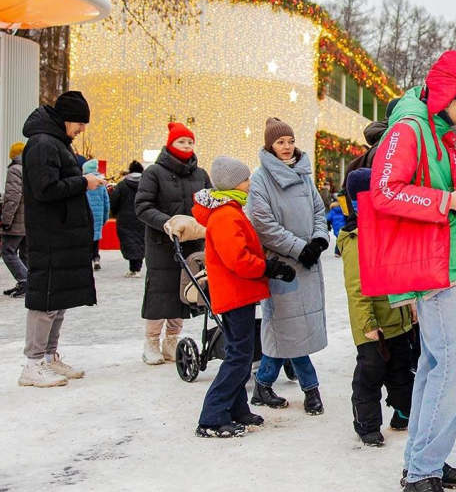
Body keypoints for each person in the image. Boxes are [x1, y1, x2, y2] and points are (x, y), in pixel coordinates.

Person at [368, 50, 456, 492]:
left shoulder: (434, 131)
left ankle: (426, 462)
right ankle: (422, 471)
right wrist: (446, 202)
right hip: (432, 267)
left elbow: (433, 193)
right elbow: (383, 191)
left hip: (446, 262)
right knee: (451, 369)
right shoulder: (410, 128)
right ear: (445, 93)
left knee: (435, 366)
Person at [192, 156, 296, 438]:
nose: (250, 183)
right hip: (235, 292)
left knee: (241, 353)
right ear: (233, 183)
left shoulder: (231, 209)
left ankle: (236, 408)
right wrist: (269, 268)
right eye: (246, 179)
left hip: (239, 292)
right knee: (238, 357)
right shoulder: (226, 215)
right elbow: (237, 259)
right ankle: (212, 416)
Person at [17, 91, 102, 387]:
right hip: (50, 233)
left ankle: (49, 356)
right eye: (80, 123)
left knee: (59, 297)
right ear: (67, 118)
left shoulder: (56, 142)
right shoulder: (43, 143)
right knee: (47, 296)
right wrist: (83, 182)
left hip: (62, 232)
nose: (81, 130)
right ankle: (33, 362)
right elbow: (45, 189)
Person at [247, 117, 331, 415]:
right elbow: (263, 224)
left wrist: (319, 241)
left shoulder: (304, 176)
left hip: (309, 264)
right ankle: (312, 390)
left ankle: (263, 383)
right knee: (290, 330)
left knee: (292, 331)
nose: (287, 146)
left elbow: (319, 210)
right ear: (270, 145)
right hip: (283, 266)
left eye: (290, 141)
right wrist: (299, 248)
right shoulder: (260, 179)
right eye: (280, 142)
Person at [341, 168, 415, 447]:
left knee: (401, 370)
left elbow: (401, 273)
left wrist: (410, 305)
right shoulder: (356, 238)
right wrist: (368, 324)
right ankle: (367, 424)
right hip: (374, 326)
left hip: (397, 317)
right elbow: (356, 288)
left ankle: (402, 412)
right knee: (370, 375)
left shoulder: (388, 229)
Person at [135, 123, 211, 365]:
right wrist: (168, 223)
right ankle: (151, 341)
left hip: (193, 243)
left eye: (190, 142)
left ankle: (172, 339)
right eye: (182, 141)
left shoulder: (200, 174)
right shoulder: (154, 173)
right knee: (160, 291)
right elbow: (143, 206)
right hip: (162, 242)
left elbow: (210, 202)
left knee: (183, 291)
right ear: (170, 144)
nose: (187, 146)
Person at [0, 143, 29, 298]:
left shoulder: (15, 170)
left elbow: (12, 198)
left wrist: (6, 220)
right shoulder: (32, 168)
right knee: (25, 253)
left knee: (7, 252)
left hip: (16, 219)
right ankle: (30, 283)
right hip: (29, 220)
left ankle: (25, 281)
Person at [110, 161, 147, 278]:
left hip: (125, 218)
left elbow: (114, 201)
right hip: (142, 217)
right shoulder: (146, 184)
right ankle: (137, 267)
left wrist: (115, 213)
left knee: (130, 241)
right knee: (140, 240)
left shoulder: (122, 185)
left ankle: (133, 268)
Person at [82, 159, 110, 271]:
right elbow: (106, 201)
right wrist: (105, 217)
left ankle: (87, 259)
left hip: (85, 214)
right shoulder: (101, 183)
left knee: (86, 238)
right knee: (96, 237)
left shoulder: (84, 183)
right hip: (98, 214)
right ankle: (96, 257)